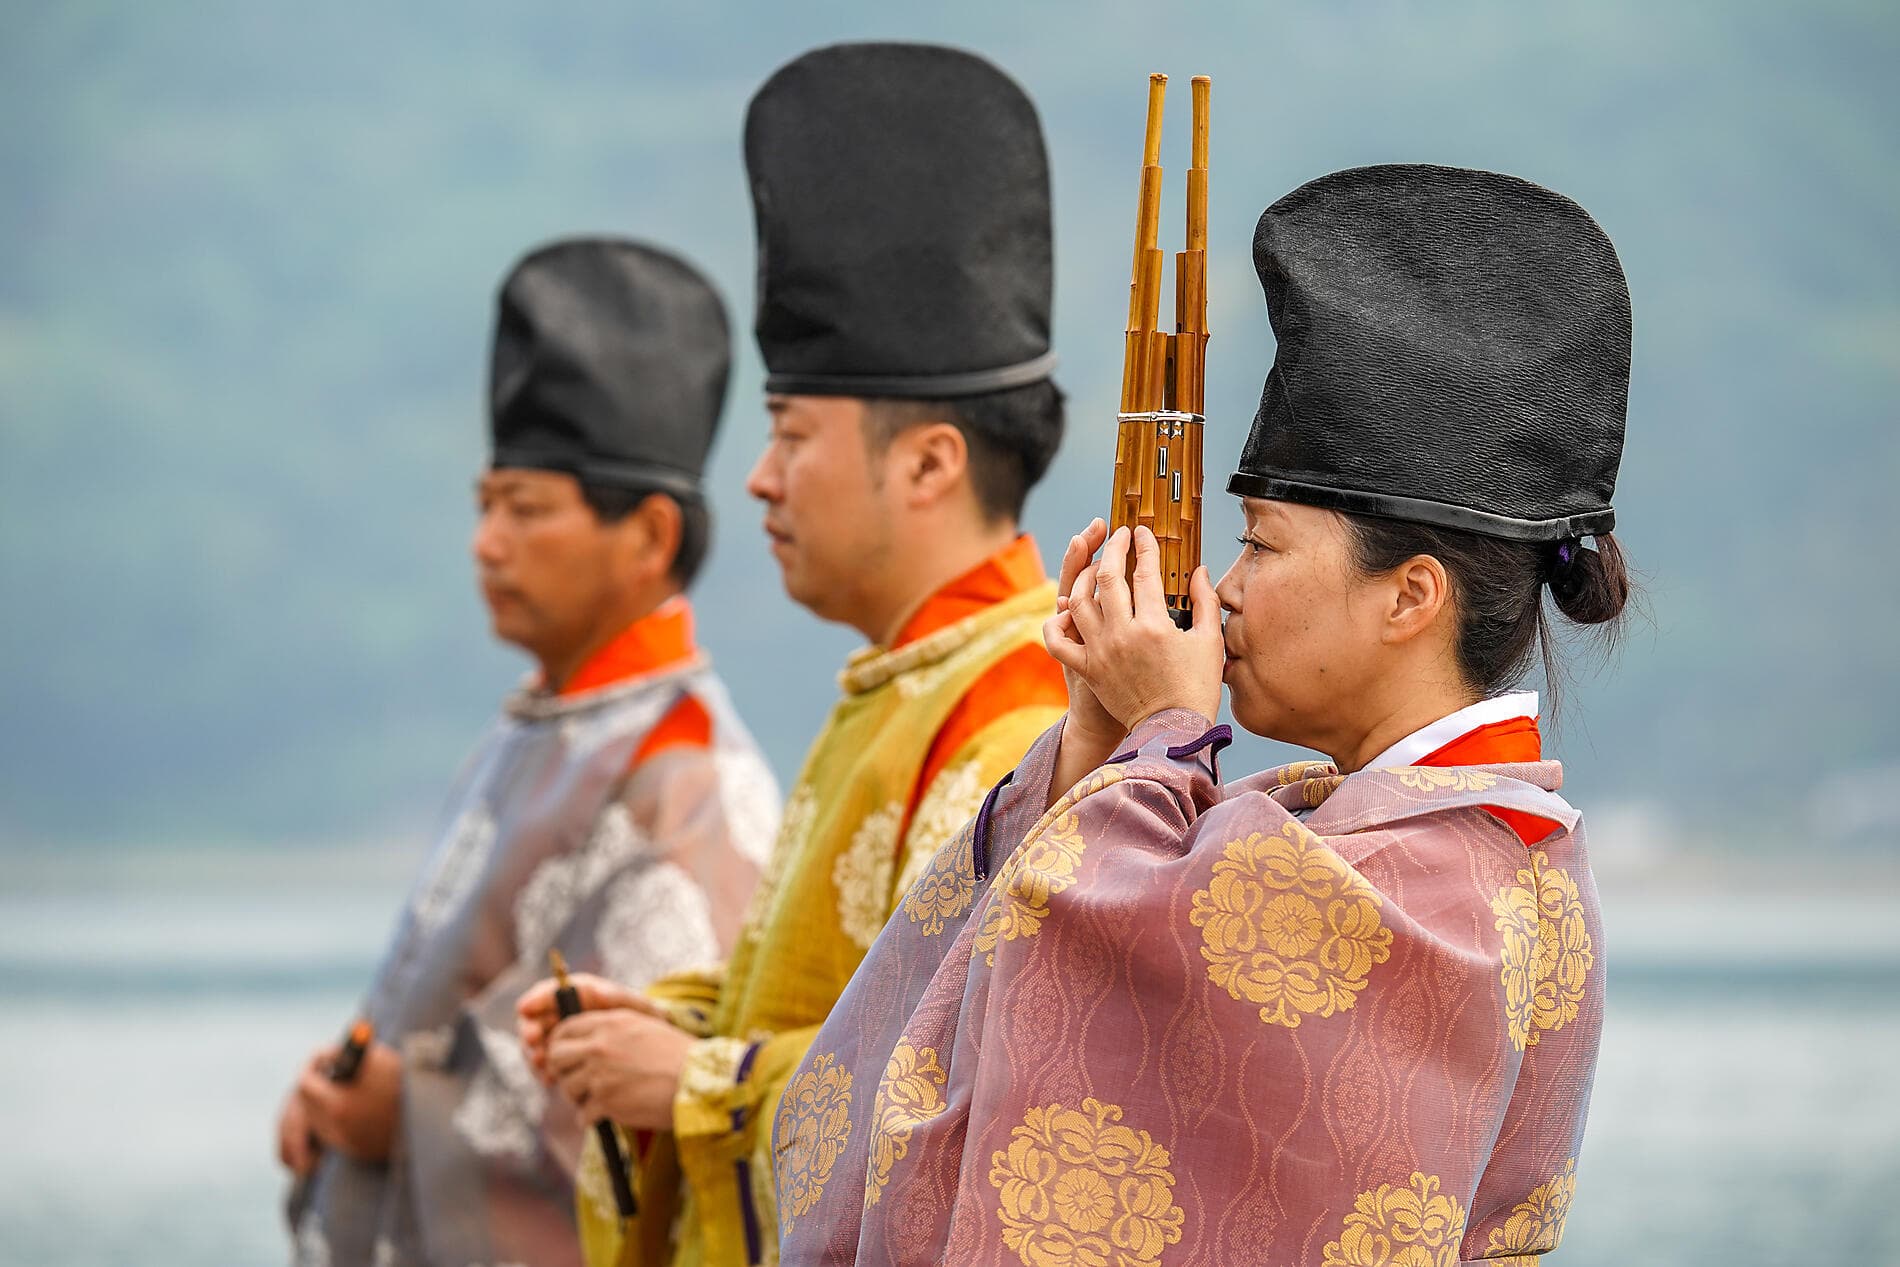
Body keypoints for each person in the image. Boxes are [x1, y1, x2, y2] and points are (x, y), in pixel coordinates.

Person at [776, 164, 1631, 1265]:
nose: (1220, 590)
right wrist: (1101, 741)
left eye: (1261, 545)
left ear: (1409, 596)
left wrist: (1162, 739)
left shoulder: (1443, 885)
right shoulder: (1414, 844)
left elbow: (1115, 1001)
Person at [516, 42, 1070, 1267]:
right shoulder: (903, 682)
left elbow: (962, 1098)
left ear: (928, 460)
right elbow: (823, 1019)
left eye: (791, 434)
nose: (759, 480)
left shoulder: (1019, 706)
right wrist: (665, 1031)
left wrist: (696, 1085)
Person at [279, 238, 778, 1267]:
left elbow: (655, 1093)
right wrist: (340, 1084)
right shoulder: (534, 728)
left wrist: (404, 1110)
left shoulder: (688, 773)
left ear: (647, 534)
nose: (485, 541)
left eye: (526, 509)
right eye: (483, 505)